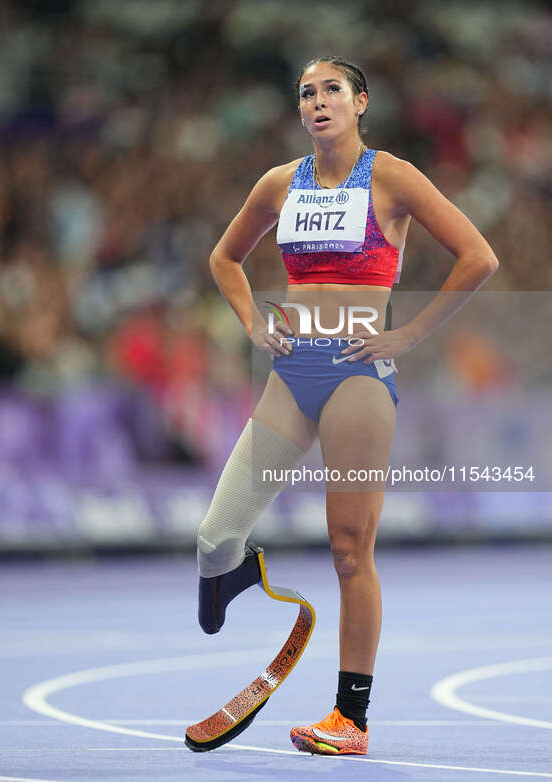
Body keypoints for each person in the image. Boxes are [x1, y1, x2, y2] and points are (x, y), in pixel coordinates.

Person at [196, 55, 499, 755]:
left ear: (360, 102)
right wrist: (250, 324)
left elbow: (477, 256)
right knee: (213, 539)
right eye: (306, 93)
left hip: (356, 376)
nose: (317, 101)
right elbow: (223, 258)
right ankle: (231, 573)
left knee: (347, 552)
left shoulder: (389, 176)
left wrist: (408, 331)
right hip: (291, 371)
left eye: (331, 89)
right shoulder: (279, 184)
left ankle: (349, 719)